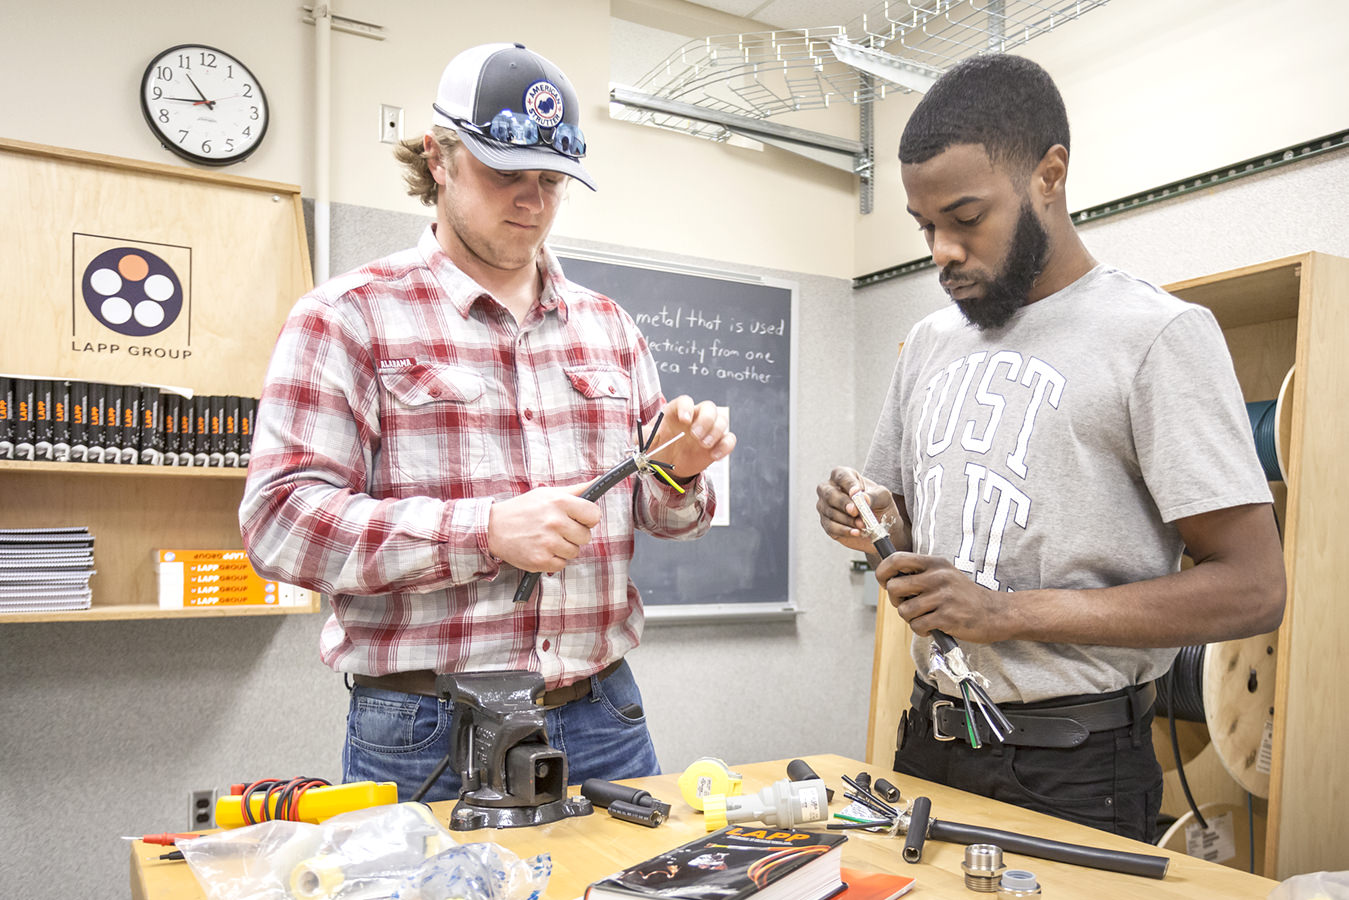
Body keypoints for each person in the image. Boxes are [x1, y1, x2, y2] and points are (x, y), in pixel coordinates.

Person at [240, 42, 735, 802]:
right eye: (506, 174)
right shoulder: (347, 318)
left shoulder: (610, 328)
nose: (532, 202)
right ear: (438, 158)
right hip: (428, 727)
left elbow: (667, 517)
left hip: (602, 713)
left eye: (551, 181)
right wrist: (485, 532)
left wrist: (679, 472)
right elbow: (280, 524)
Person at [816, 53, 1284, 841]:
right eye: (925, 226)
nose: (941, 250)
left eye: (965, 218)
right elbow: (908, 529)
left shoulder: (1156, 336)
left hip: (1073, 767)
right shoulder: (928, 343)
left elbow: (1253, 588)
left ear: (1048, 176)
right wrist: (873, 522)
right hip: (929, 741)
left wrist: (1005, 613)